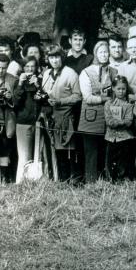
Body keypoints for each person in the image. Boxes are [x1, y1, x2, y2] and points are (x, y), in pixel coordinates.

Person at [79, 41, 117, 182]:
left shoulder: (114, 72)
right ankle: (91, 182)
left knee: (105, 151)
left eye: (106, 52)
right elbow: (88, 98)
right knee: (91, 152)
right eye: (100, 52)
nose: (104, 55)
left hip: (108, 118)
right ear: (95, 53)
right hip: (91, 118)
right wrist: (106, 98)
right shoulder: (86, 72)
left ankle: (105, 182)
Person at [43, 46, 81, 181]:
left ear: (62, 58)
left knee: (68, 149)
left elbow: (77, 96)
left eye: (57, 57)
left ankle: (73, 181)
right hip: (51, 118)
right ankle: (61, 179)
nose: (54, 60)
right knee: (57, 151)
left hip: (66, 118)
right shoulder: (46, 74)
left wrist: (60, 101)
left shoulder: (70, 73)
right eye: (51, 57)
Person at [12, 58, 44, 183]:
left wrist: (37, 85)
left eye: (33, 66)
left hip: (38, 122)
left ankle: (33, 182)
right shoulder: (18, 82)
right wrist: (20, 83)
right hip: (23, 123)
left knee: (37, 156)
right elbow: (14, 102)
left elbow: (44, 99)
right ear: (23, 68)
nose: (30, 69)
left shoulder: (40, 81)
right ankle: (20, 183)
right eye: (27, 67)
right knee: (24, 157)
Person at [104, 76, 135, 181]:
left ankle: (122, 180)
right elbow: (109, 121)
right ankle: (111, 180)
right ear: (113, 88)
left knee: (123, 161)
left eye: (123, 89)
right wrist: (121, 122)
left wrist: (116, 122)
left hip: (124, 138)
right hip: (110, 137)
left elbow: (129, 121)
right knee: (110, 161)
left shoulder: (129, 105)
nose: (121, 92)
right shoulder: (108, 104)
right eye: (118, 89)